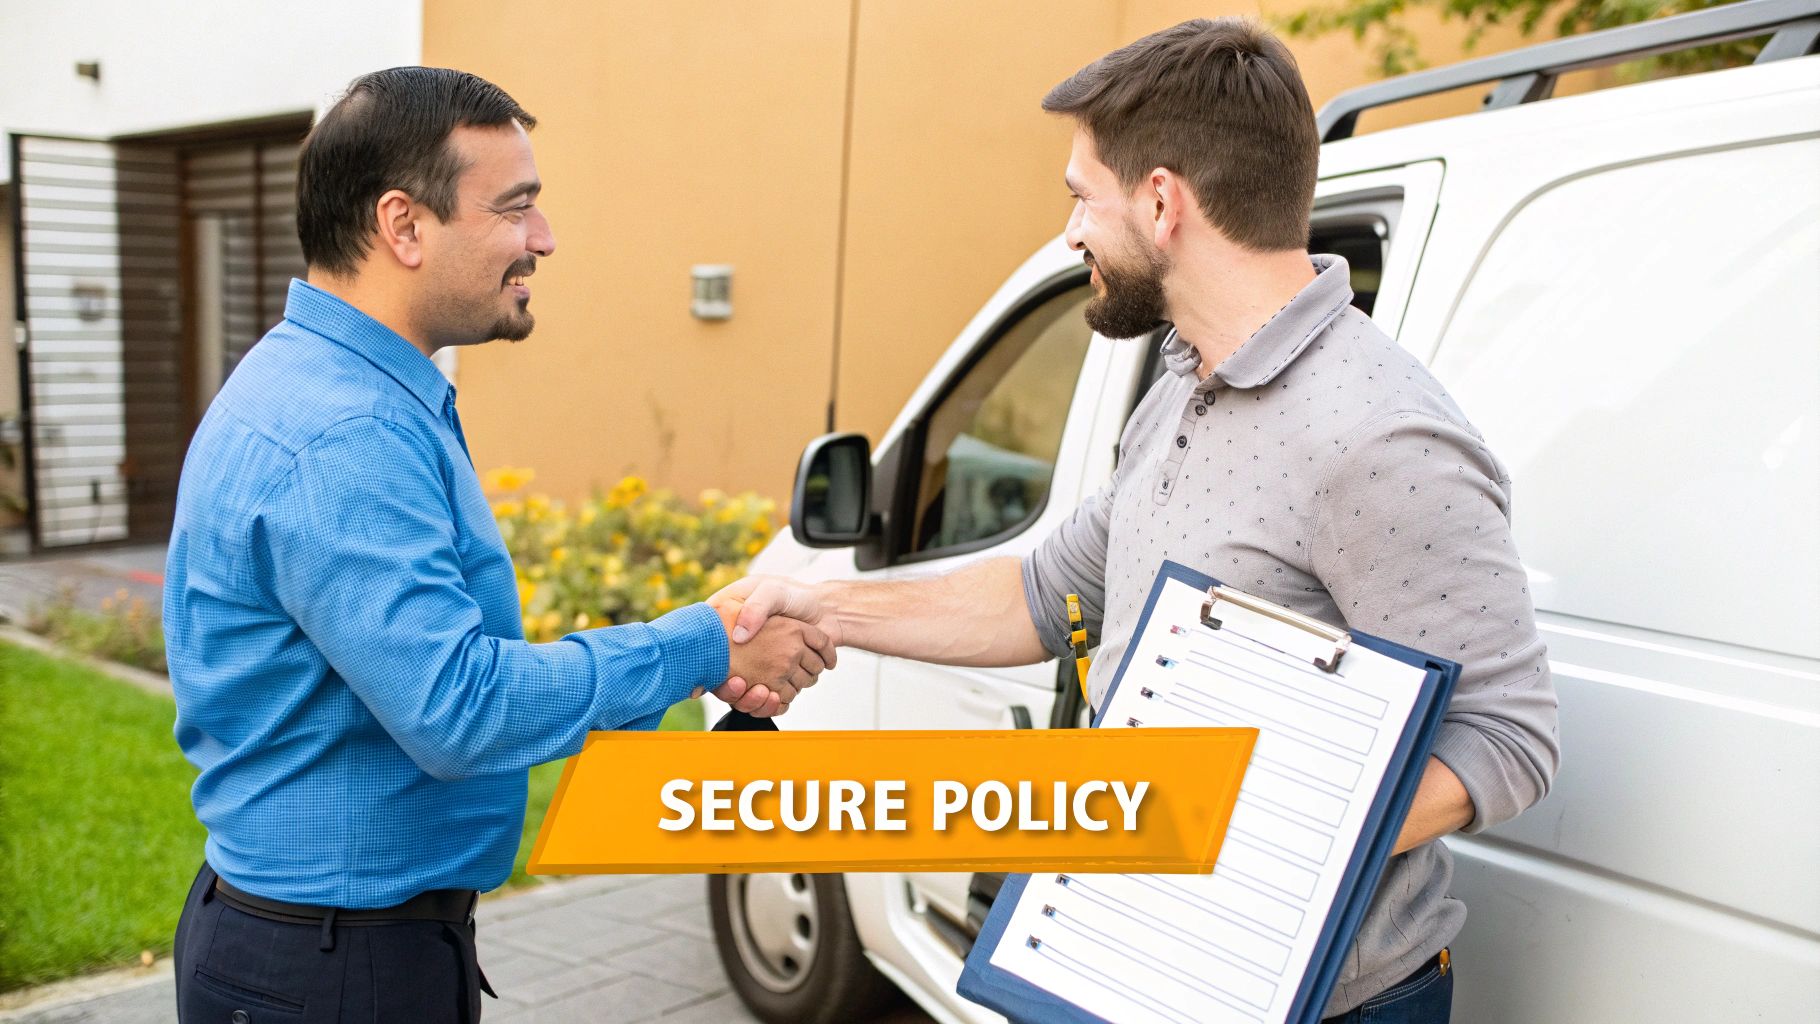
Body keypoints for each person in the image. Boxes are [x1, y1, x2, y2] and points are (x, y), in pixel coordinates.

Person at [725, 19, 1559, 1023]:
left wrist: (1231, 828)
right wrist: (815, 604)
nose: (1071, 231)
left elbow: (1507, 738)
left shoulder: (1377, 435)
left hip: (1321, 1002)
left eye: (1082, 196)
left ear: (1161, 201)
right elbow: (1044, 591)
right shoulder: (1179, 381)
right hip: (1143, 961)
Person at [163, 67, 829, 1023]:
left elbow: (442, 674)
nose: (544, 240)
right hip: (337, 969)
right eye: (516, 209)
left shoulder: (345, 390)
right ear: (404, 227)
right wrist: (704, 644)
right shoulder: (343, 433)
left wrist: (688, 661)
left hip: (337, 948)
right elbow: (459, 709)